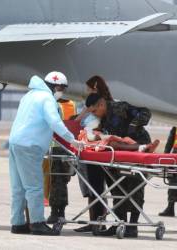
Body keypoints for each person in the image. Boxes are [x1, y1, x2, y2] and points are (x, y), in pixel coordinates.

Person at [9, 71, 84, 236]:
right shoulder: (47, 98)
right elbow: (55, 122)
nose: (62, 93)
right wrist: (72, 140)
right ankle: (37, 223)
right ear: (56, 86)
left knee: (18, 187)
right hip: (30, 146)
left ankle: (17, 223)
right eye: (62, 89)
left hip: (15, 142)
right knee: (34, 187)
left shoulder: (29, 95)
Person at [86, 93, 152, 238]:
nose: (94, 114)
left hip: (137, 145)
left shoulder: (120, 107)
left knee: (135, 187)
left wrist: (134, 126)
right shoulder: (103, 118)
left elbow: (146, 112)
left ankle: (132, 226)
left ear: (101, 104)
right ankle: (119, 223)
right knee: (117, 188)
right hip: (119, 152)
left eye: (94, 111)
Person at [74, 75, 114, 233]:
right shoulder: (93, 104)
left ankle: (99, 222)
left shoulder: (102, 105)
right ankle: (93, 222)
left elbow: (80, 121)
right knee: (91, 187)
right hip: (87, 147)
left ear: (95, 87)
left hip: (97, 149)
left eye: (88, 88)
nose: (86, 91)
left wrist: (87, 110)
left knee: (97, 186)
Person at [46, 98, 78, 224]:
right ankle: (59, 212)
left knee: (57, 181)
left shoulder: (52, 103)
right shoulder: (72, 104)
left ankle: (56, 213)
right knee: (60, 182)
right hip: (66, 147)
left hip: (58, 147)